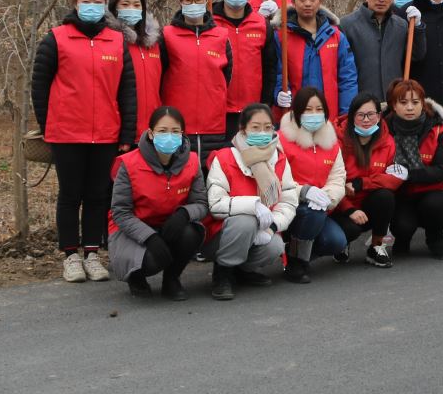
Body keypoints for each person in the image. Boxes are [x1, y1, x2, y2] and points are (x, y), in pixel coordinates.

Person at [30, 0, 138, 283]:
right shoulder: (56, 38)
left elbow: (127, 91)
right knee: (69, 195)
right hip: (66, 134)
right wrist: (47, 126)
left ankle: (92, 253)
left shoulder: (116, 41)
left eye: (97, 1)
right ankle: (71, 256)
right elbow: (39, 87)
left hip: (105, 133)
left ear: (106, 6)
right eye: (86, 1)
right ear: (76, 4)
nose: (92, 6)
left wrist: (126, 135)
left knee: (96, 196)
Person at [108, 106, 206, 301]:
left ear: (182, 134)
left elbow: (202, 203)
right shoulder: (129, 164)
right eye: (162, 131)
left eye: (175, 131)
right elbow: (120, 212)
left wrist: (184, 214)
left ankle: (171, 279)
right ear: (151, 134)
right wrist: (149, 237)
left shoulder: (192, 161)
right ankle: (136, 277)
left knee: (191, 232)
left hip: (171, 224)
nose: (169, 136)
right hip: (133, 229)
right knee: (151, 261)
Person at [204, 103, 301, 300]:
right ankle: (223, 273)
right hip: (220, 234)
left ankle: (242, 270)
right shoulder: (224, 158)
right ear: (243, 130)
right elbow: (215, 205)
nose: (262, 132)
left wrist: (272, 226)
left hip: (259, 229)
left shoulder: (279, 159)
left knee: (274, 246)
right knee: (246, 221)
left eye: (267, 127)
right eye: (255, 127)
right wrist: (253, 206)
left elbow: (288, 201)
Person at [160, 0, 234, 168]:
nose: (194, 4)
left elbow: (226, 76)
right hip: (178, 123)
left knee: (213, 175)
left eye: (198, 0)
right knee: (181, 176)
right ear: (180, 3)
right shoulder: (167, 35)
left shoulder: (221, 36)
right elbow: (160, 75)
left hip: (213, 123)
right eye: (188, 0)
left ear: (207, 0)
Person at [278, 87, 348, 283]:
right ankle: (296, 261)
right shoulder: (282, 139)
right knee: (312, 213)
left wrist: (326, 197)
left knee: (336, 241)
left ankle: (299, 253)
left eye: (319, 109)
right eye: (308, 110)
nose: (314, 115)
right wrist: (305, 192)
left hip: (320, 206)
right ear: (297, 111)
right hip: (290, 204)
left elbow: (338, 177)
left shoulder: (332, 142)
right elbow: (278, 179)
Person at [385, 78, 443, 259]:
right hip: (401, 192)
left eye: (415, 102)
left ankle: (435, 238)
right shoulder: (384, 129)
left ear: (423, 104)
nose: (410, 108)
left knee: (435, 204)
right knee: (402, 224)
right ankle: (402, 239)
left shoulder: (438, 128)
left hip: (433, 190)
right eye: (403, 102)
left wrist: (409, 174)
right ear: (393, 105)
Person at [333, 92, 403, 267]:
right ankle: (342, 245)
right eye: (360, 115)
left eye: (371, 114)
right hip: (341, 205)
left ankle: (376, 247)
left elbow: (395, 178)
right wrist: (348, 209)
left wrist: (362, 182)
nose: (366, 119)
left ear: (379, 116)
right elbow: (330, 182)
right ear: (351, 117)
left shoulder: (389, 142)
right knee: (349, 231)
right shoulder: (336, 142)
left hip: (369, 203)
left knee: (385, 196)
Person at [274, 0, 358, 116]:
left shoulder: (336, 36)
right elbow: (277, 73)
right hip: (295, 115)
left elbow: (347, 77)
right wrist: (278, 93)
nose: (307, 3)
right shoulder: (281, 37)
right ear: (293, 3)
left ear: (320, 1)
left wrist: (346, 114)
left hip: (330, 116)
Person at [212, 0, 281, 137]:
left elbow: (270, 67)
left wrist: (266, 103)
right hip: (219, 109)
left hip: (253, 109)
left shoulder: (261, 24)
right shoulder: (210, 23)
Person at [342, 0, 426, 98]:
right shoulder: (347, 25)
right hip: (362, 103)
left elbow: (417, 55)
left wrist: (418, 27)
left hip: (394, 100)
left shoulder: (401, 25)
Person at [110, 0, 162, 140]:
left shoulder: (155, 43)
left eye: (136, 4)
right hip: (119, 131)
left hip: (151, 130)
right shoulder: (109, 40)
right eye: (125, 4)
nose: (131, 8)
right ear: (114, 7)